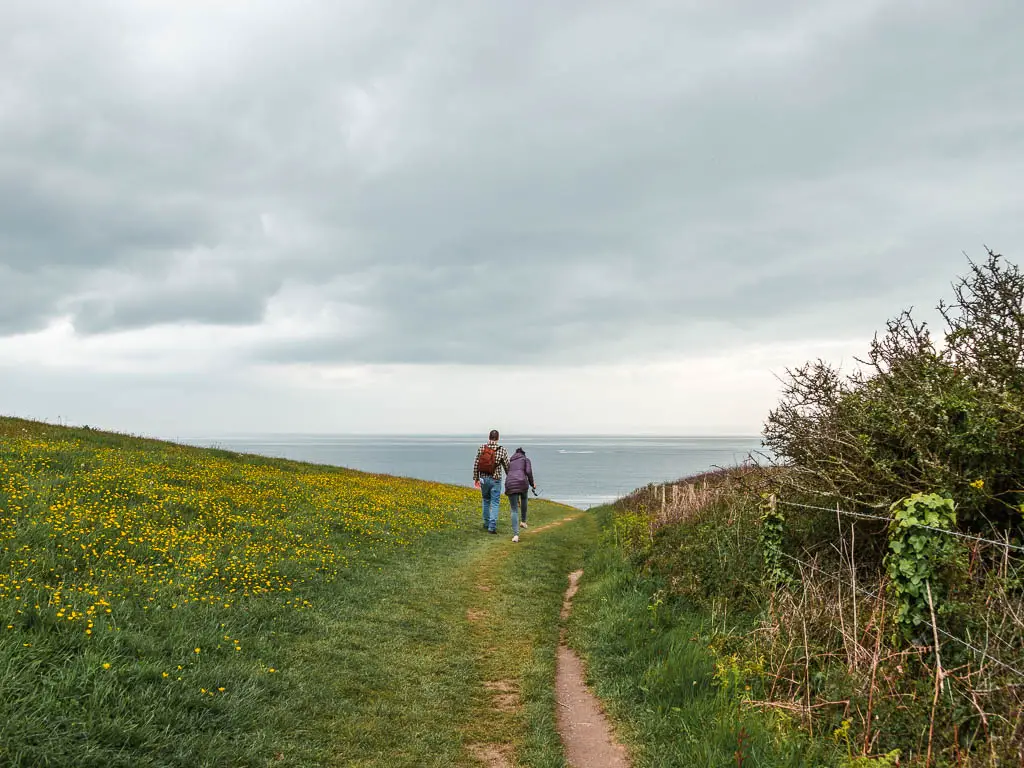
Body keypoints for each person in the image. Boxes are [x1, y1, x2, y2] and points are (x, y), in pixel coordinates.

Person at [473, 429, 510, 535]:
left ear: (489, 437)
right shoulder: (501, 450)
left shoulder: (482, 448)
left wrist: (476, 478)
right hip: (496, 479)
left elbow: (476, 465)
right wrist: (510, 478)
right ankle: (492, 527)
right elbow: (507, 466)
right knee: (494, 503)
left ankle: (486, 523)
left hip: (484, 479)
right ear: (497, 438)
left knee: (485, 500)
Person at [504, 447, 536, 542]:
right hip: (522, 482)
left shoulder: (510, 462)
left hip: (510, 483)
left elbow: (508, 473)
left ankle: (516, 535)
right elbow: (529, 472)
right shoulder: (526, 460)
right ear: (523, 454)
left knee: (514, 509)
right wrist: (532, 483)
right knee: (524, 498)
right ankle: (523, 521)